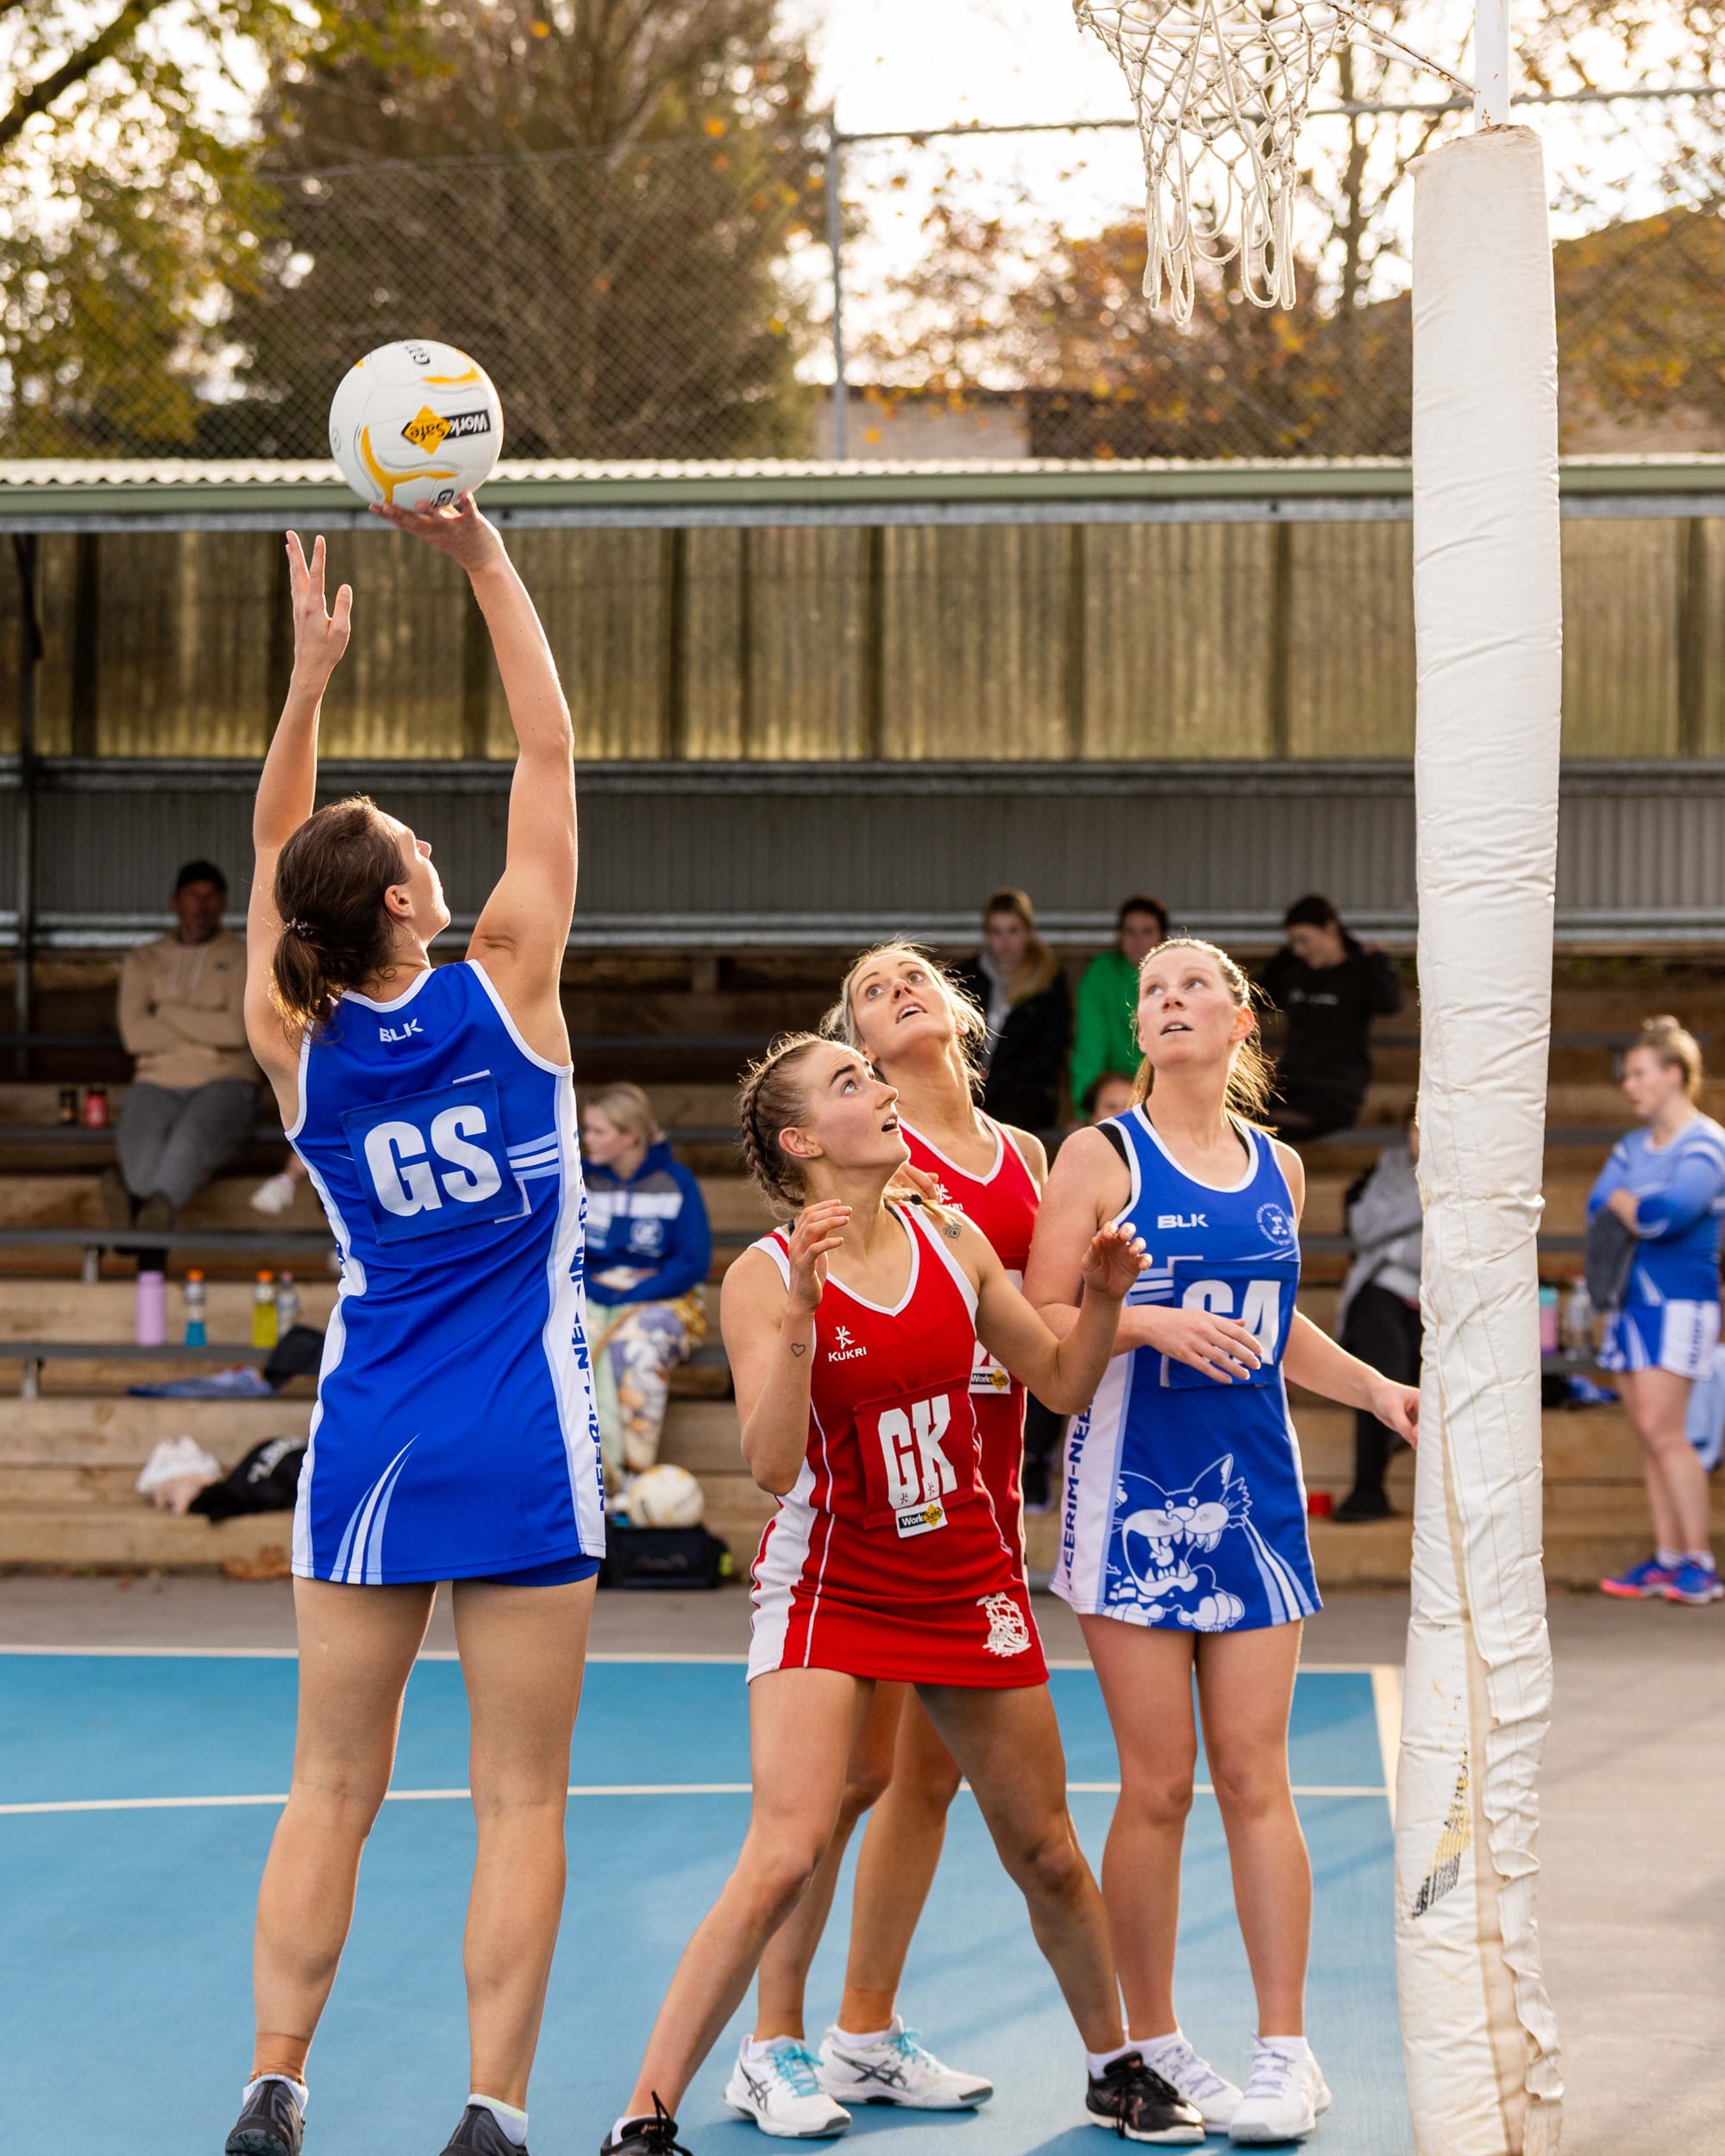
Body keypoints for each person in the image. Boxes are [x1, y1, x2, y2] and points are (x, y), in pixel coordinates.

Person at [599, 1033, 1205, 2156]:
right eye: (848, 1083)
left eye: (870, 1075)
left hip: (964, 1573)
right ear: (799, 1141)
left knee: (1046, 1853)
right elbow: (773, 1465)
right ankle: (645, 2116)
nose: (879, 1090)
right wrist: (802, 1321)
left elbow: (1062, 1379)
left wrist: (1109, 1301)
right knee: (785, 1849)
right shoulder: (763, 1275)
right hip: (832, 1573)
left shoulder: (952, 1236)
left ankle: (1114, 2068)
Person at [225, 503, 605, 2156]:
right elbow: (549, 744)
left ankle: (275, 2078)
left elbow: (269, 865)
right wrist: (485, 563)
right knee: (516, 1797)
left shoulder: (294, 1037)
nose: (443, 855)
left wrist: (308, 687)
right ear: (399, 899)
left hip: (372, 1431)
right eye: (415, 850)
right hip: (519, 1428)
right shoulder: (509, 980)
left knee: (331, 1788)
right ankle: (492, 2111)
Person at [1025, 936, 1419, 2146]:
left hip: (1252, 1495)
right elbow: (1045, 1336)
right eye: (1155, 992)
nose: (1173, 1001)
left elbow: (1272, 1323)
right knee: (1158, 1785)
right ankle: (1154, 2041)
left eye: (1198, 985)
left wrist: (1378, 1396)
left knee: (1257, 1776)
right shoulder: (1099, 1157)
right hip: (1131, 1496)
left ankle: (1286, 2054)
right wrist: (1140, 1321)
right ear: (1139, 1032)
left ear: (1243, 1022)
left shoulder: (1280, 1170)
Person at [709, 943, 1044, 2136]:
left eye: (914, 972)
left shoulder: (1024, 1162)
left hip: (977, 1501)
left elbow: (1045, 1331)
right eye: (865, 989)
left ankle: (863, 2029)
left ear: (954, 1011)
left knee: (930, 1779)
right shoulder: (883, 1171)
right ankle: (774, 2039)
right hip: (878, 1512)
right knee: (846, 1783)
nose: (898, 984)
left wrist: (1131, 1311)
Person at [1591, 1017, 1725, 1607]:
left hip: (1679, 1305)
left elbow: (1665, 1216)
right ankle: (1670, 1557)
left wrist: (1630, 1203)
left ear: (1674, 1076)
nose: (1630, 1085)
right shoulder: (1632, 1146)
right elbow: (1602, 1202)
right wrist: (1631, 1205)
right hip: (1631, 1303)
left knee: (1666, 1432)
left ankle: (1699, 1561)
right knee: (1650, 1434)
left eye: (1641, 1073)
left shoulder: (1707, 1143)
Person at [107, 859, 258, 1231]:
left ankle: (136, 1221)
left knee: (190, 1139)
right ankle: (148, 1218)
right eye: (193, 896)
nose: (201, 906)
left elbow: (238, 1032)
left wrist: (167, 1012)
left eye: (210, 897)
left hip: (225, 1080)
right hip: (156, 1081)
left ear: (223, 903)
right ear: (176, 902)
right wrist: (208, 1025)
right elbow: (135, 1035)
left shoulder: (244, 957)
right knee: (140, 1146)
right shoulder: (143, 960)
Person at [581, 1081, 712, 1486]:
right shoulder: (583, 1180)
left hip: (664, 1299)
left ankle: (626, 1477)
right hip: (593, 1295)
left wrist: (632, 1297)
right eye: (586, 1129)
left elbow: (692, 1262)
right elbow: (564, 1251)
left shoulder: (676, 1182)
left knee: (634, 1348)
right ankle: (582, 1473)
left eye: (598, 1131)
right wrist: (594, 1289)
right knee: (573, 1340)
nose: (586, 1139)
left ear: (629, 1135)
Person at [1333, 1104, 1422, 1522]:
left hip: (1442, 1298)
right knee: (1375, 1336)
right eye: (1415, 1128)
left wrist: (1398, 1245)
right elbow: (1363, 1227)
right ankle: (1368, 1489)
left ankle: (1379, 1464)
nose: (1423, 1137)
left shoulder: (1474, 1173)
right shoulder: (1390, 1166)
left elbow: (1448, 1255)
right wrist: (1428, 1197)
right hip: (1384, 1286)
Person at [1257, 896, 1401, 1141]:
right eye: (1293, 943)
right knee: (1238, 1112)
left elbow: (1389, 1004)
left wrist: (1378, 962)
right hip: (1291, 1086)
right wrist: (1282, 959)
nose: (1299, 949)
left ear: (1331, 928)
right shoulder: (1295, 969)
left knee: (1266, 1126)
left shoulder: (1361, 969)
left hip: (1336, 1093)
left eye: (1304, 940)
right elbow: (1257, 1000)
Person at [953, 887, 1072, 1133]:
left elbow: (1050, 1050)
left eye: (1013, 931)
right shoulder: (968, 976)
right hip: (969, 1081)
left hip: (1024, 1090)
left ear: (1028, 932)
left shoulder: (1048, 981)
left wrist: (992, 1081)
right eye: (996, 932)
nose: (1004, 941)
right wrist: (970, 1074)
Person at [1070, 896, 1170, 1114]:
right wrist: (1085, 1109)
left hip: (1165, 1087)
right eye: (1130, 931)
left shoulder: (1176, 974)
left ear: (1162, 936)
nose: (1138, 940)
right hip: (1110, 1093)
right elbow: (1090, 1046)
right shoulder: (1101, 972)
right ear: (1120, 935)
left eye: (1147, 931)